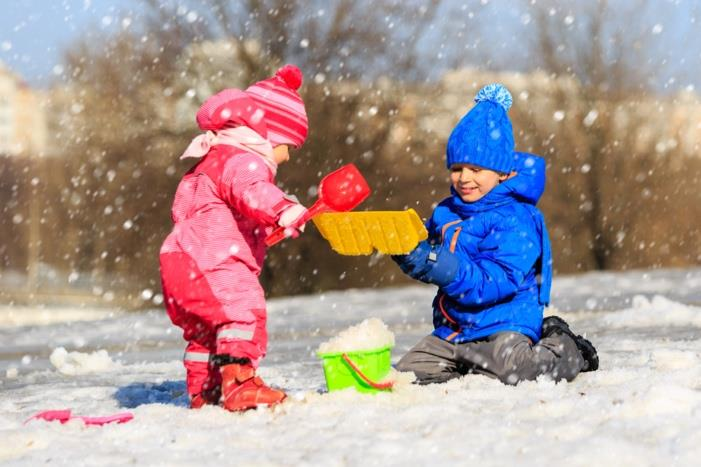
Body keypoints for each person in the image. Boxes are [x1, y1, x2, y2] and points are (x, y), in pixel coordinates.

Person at [393, 83, 598, 386]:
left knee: (516, 371)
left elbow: (492, 282)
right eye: (457, 167)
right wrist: (406, 250)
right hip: (455, 328)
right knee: (406, 376)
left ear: (502, 173)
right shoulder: (446, 212)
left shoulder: (516, 220)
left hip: (503, 323)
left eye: (476, 169)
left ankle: (566, 349)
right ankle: (466, 363)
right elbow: (429, 260)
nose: (464, 178)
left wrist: (435, 261)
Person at [159, 65, 310, 411]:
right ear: (267, 134)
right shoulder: (243, 160)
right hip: (217, 264)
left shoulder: (210, 159)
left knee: (207, 330)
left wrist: (268, 227)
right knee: (243, 312)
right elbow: (251, 190)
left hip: (181, 261)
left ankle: (205, 389)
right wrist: (282, 209)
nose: (286, 156)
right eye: (288, 145)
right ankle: (240, 382)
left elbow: (203, 209)